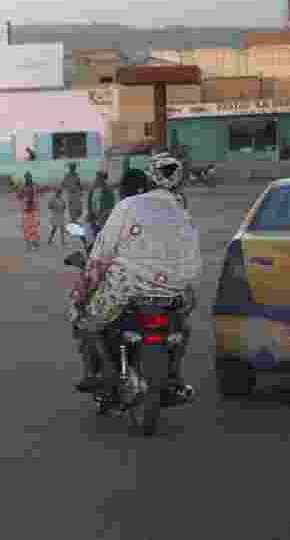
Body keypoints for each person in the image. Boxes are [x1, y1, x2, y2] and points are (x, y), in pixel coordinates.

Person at [68, 153, 201, 399]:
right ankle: (174, 374)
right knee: (183, 326)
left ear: (150, 178)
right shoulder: (182, 213)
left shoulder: (129, 206)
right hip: (172, 291)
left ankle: (101, 372)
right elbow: (193, 260)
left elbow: (103, 249)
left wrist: (91, 274)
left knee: (87, 319)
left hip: (128, 286)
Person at [17, 172, 51, 249]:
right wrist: (22, 194)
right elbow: (19, 196)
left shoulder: (35, 185)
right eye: (27, 177)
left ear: (31, 177)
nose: (28, 178)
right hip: (26, 209)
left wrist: (45, 189)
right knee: (27, 226)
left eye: (29, 177)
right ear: (25, 178)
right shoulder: (23, 187)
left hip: (35, 208)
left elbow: (41, 191)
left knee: (36, 225)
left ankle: (35, 241)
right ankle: (28, 242)